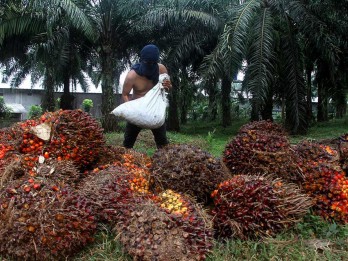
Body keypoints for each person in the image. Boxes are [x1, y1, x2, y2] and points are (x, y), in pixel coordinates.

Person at [121, 44, 172, 149]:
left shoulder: (161, 69)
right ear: (141, 60)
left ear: (156, 61)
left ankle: (163, 161)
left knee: (162, 143)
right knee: (128, 143)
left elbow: (168, 86)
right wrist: (131, 109)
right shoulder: (132, 75)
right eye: (147, 63)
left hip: (155, 111)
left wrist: (168, 86)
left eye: (153, 63)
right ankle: (125, 160)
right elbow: (125, 94)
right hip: (138, 111)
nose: (150, 65)